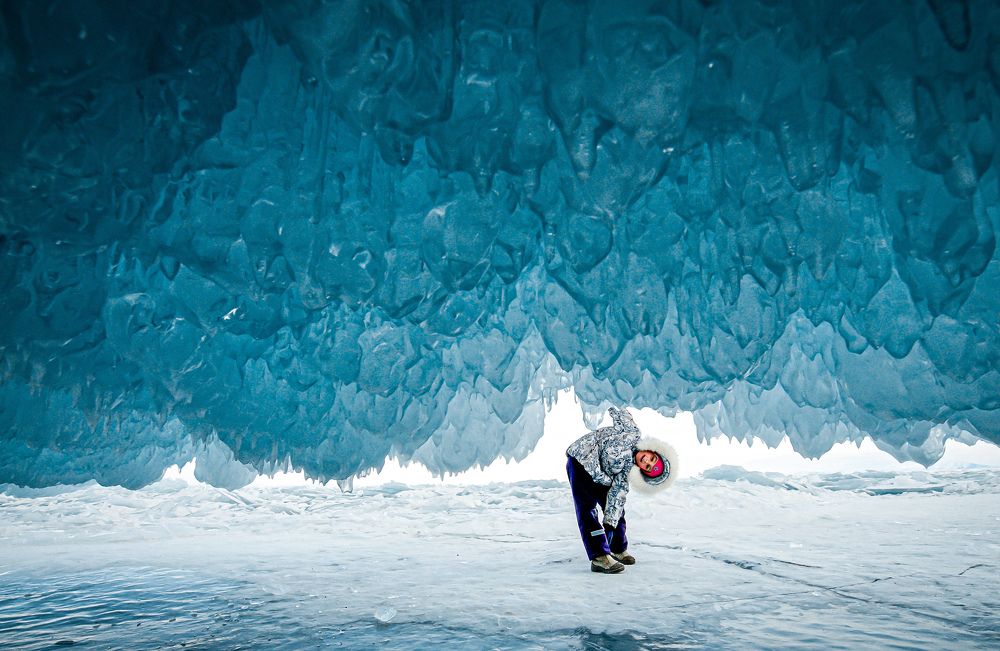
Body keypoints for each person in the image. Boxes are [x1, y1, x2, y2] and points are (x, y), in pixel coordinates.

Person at [566, 406, 678, 573]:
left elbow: (616, 496)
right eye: (652, 458)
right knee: (587, 510)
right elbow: (619, 410)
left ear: (643, 471)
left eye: (647, 466)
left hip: (600, 476)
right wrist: (607, 397)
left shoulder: (626, 473)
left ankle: (617, 548)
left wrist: (610, 523)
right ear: (653, 450)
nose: (646, 460)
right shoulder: (633, 432)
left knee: (617, 510)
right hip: (581, 460)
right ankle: (599, 557)